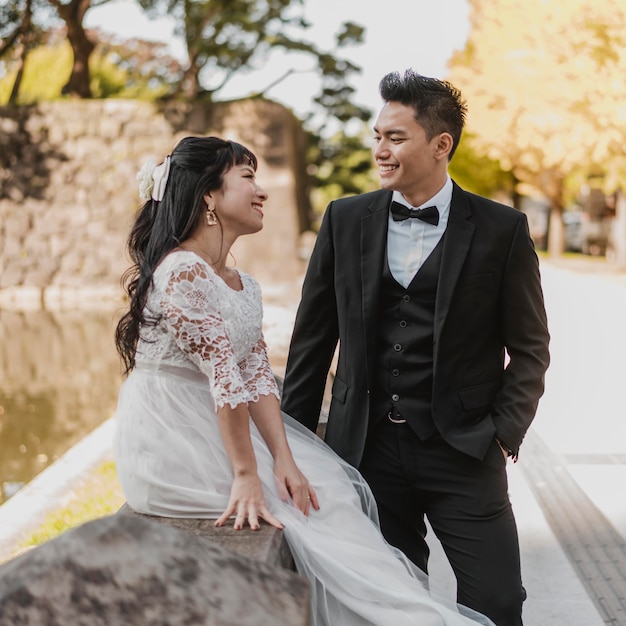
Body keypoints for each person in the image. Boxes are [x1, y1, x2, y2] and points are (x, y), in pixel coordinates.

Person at [113, 135, 495, 626]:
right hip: (173, 435)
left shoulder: (239, 281)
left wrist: (286, 459)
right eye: (248, 177)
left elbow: (256, 376)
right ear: (209, 196)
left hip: (221, 423)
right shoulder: (183, 270)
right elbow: (225, 379)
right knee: (300, 520)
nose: (262, 191)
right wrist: (248, 474)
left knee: (322, 491)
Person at [281, 70, 550, 626]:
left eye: (395, 138)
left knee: (498, 603)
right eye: (377, 135)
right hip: (366, 451)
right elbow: (311, 345)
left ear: (440, 144)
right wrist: (293, 452)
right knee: (389, 605)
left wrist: (502, 433)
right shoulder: (344, 219)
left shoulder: (502, 229)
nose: (379, 149)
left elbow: (530, 348)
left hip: (464, 451)